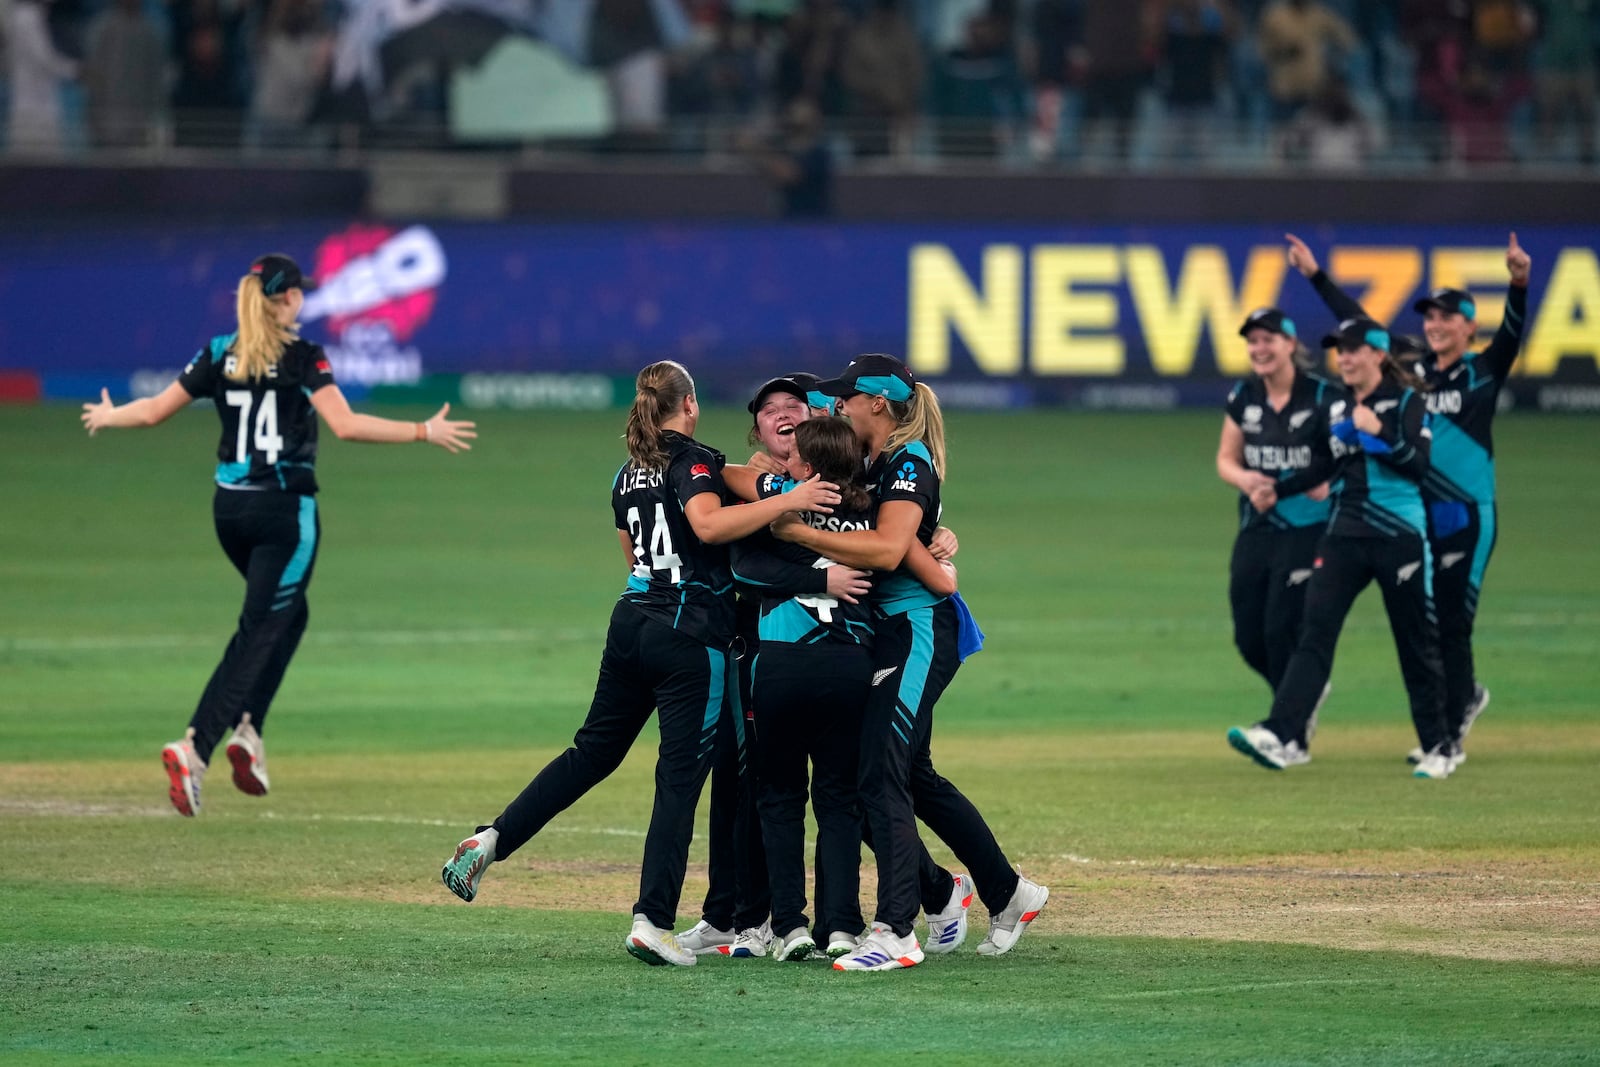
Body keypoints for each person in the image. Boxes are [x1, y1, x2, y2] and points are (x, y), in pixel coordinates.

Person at [438, 360, 841, 967]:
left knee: (590, 752)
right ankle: (652, 920)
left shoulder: (629, 473)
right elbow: (707, 525)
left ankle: (492, 838)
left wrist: (768, 490)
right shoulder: (695, 459)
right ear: (691, 403)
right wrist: (802, 496)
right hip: (691, 639)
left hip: (631, 624)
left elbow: (632, 553)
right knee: (679, 781)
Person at [80, 254, 477, 817]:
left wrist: (108, 416)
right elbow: (346, 425)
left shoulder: (220, 352)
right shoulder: (302, 357)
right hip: (285, 515)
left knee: (290, 615)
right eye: (299, 293)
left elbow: (151, 414)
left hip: (229, 513)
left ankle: (249, 730)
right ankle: (195, 747)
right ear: (287, 298)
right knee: (260, 628)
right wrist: (423, 430)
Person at [775, 353, 1049, 971]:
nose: (836, 405)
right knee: (904, 774)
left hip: (916, 629)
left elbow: (887, 546)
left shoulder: (908, 461)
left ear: (878, 403)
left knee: (877, 773)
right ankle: (999, 892)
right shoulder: (872, 460)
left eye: (847, 397)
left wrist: (798, 534)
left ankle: (897, 930)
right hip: (890, 631)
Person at [1286, 231, 1532, 762]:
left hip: (1466, 511)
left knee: (1452, 618)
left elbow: (1512, 333)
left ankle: (1456, 720)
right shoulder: (1412, 370)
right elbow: (1363, 327)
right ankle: (1453, 716)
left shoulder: (1482, 371)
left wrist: (1518, 282)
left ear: (1469, 326)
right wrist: (1314, 275)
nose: (1436, 325)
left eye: (1448, 317)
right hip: (1417, 508)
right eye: (1430, 317)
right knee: (1427, 619)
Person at [675, 373, 866, 960]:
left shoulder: (829, 492)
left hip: (792, 660)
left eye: (794, 407)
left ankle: (790, 924)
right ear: (757, 427)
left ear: (812, 428)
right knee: (798, 793)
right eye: (769, 409)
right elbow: (886, 555)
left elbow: (747, 569)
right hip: (803, 658)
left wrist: (937, 537)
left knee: (786, 794)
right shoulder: (843, 498)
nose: (782, 415)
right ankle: (775, 920)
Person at [1227, 317, 1456, 778]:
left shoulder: (1408, 402)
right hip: (1343, 535)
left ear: (1377, 354)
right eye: (1339, 351)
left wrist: (1378, 432)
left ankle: (1440, 746)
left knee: (1414, 642)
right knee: (1314, 634)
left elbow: (1419, 467)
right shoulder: (1337, 408)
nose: (1344, 359)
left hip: (1398, 537)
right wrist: (1281, 489)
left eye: (1353, 351)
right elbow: (1323, 466)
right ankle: (1281, 731)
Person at [1216, 307, 1341, 732]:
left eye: (1268, 339)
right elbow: (1225, 460)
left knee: (1279, 629)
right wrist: (1246, 480)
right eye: (1252, 341)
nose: (1259, 348)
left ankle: (1287, 724)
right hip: (1257, 525)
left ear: (1291, 344)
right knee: (1248, 638)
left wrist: (1327, 482)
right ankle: (1301, 696)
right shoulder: (1244, 396)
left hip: (1307, 527)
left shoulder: (1324, 397)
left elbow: (1345, 457)